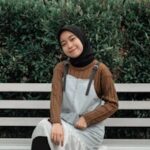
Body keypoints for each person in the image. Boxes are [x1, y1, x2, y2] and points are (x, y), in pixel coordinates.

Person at [31, 25, 118, 150]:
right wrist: (56, 122)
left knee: (46, 131)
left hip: (89, 132)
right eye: (64, 43)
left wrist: (87, 119)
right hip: (64, 124)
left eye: (72, 39)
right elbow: (56, 97)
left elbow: (113, 103)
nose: (70, 45)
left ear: (81, 39)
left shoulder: (101, 70)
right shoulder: (61, 68)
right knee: (43, 127)